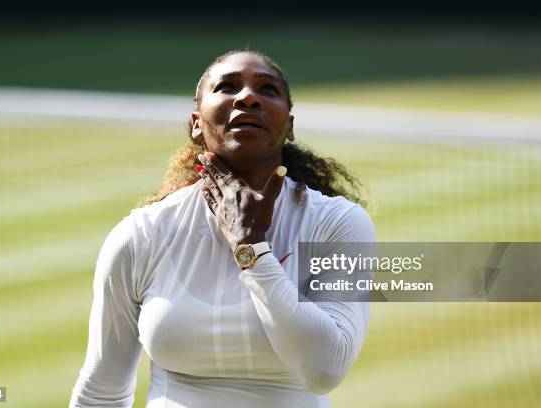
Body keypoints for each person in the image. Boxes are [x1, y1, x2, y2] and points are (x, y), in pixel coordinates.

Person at [69, 50, 376, 408]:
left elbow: (324, 370)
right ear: (197, 124)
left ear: (289, 126)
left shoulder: (337, 223)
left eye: (267, 89)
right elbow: (101, 391)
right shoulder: (141, 234)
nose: (247, 97)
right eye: (227, 86)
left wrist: (252, 248)